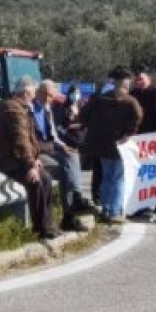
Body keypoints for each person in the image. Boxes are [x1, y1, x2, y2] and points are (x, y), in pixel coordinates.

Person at [0, 76, 59, 241]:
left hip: (13, 159)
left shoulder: (15, 107)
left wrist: (35, 159)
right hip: (8, 161)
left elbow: (29, 139)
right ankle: (41, 228)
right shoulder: (14, 110)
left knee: (46, 179)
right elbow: (20, 141)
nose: (34, 97)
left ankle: (47, 225)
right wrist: (30, 166)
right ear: (26, 93)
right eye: (33, 93)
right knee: (37, 181)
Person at [80, 68, 143, 225]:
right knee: (118, 179)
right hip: (119, 145)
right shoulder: (130, 102)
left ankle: (106, 209)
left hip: (101, 144)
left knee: (107, 177)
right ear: (126, 85)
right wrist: (128, 133)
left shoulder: (100, 99)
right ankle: (115, 211)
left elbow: (83, 115)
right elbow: (138, 117)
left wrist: (93, 128)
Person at [32, 79, 92, 233]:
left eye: (50, 96)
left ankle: (75, 200)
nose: (47, 98)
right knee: (66, 170)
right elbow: (33, 140)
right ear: (37, 93)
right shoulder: (31, 110)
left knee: (72, 155)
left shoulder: (47, 109)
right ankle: (70, 214)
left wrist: (63, 146)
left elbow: (53, 134)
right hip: (37, 151)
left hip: (50, 147)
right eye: (44, 94)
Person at [130, 69, 156, 220]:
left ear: (148, 78)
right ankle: (140, 204)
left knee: (150, 172)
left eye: (141, 78)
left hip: (152, 138)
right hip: (136, 138)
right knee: (138, 173)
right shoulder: (134, 94)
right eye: (137, 78)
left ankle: (149, 206)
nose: (138, 81)